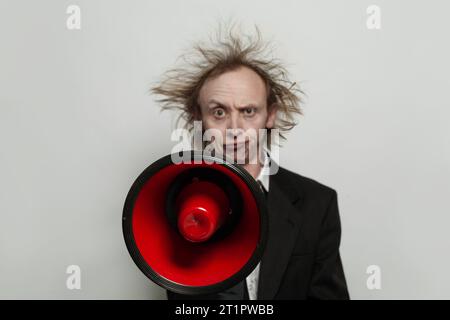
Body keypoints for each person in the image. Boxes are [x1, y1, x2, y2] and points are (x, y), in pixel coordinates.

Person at [150, 23, 350, 300]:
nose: (234, 127)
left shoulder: (317, 203)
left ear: (270, 115)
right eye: (219, 112)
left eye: (248, 111)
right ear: (199, 118)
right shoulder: (174, 201)